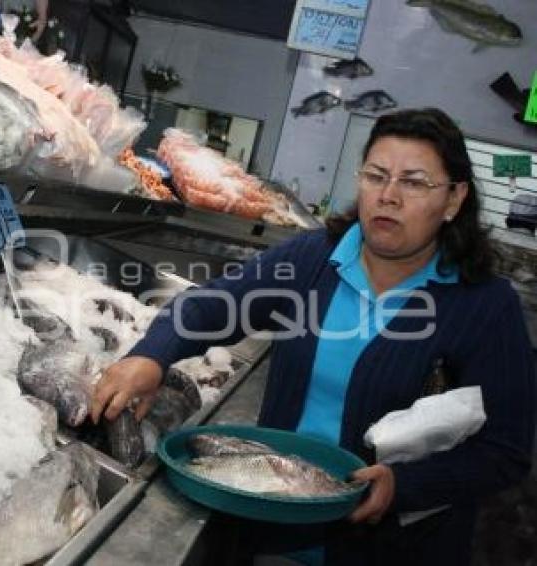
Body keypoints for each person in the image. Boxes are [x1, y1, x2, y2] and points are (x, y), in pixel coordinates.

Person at [90, 108, 535, 565]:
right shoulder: (314, 258)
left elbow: (505, 450)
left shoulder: (483, 304)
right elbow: (213, 305)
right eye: (376, 175)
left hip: (391, 550)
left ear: (454, 199)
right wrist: (153, 356)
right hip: (274, 529)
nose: (389, 196)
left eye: (415, 182)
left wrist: (406, 485)